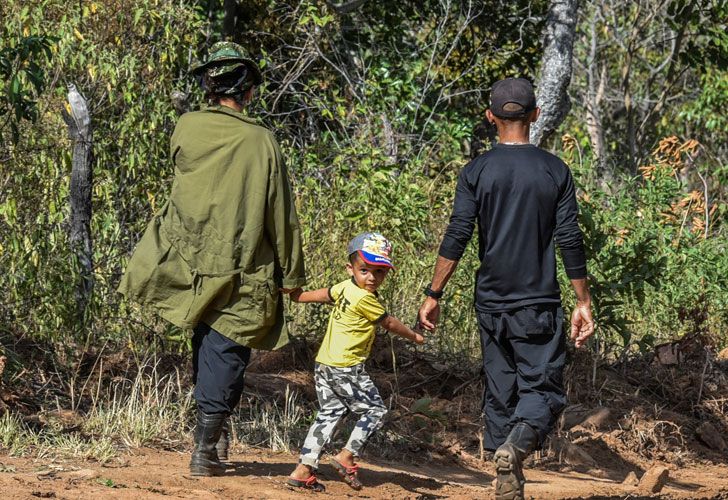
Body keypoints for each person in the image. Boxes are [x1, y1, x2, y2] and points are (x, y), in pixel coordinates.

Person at [118, 41, 306, 476]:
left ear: (209, 85)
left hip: (188, 259)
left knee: (207, 345)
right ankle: (204, 449)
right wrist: (291, 274)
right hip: (242, 265)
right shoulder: (262, 141)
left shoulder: (186, 126)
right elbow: (281, 213)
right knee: (226, 350)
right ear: (249, 91)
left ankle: (216, 438)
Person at [417, 77, 594, 500]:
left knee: (500, 391)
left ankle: (503, 476)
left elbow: (457, 234)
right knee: (543, 391)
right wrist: (583, 301)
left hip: (490, 304)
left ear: (490, 117)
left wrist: (433, 294)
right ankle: (513, 452)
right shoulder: (554, 170)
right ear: (535, 115)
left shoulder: (476, 170)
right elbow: (569, 238)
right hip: (537, 304)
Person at [283, 232, 424, 492]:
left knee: (329, 413)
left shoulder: (346, 287)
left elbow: (326, 294)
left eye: (379, 272)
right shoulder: (365, 298)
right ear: (351, 268)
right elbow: (389, 323)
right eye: (365, 270)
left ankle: (302, 470)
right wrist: (415, 335)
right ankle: (346, 456)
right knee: (375, 411)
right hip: (346, 366)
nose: (372, 277)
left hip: (324, 364)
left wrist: (297, 296)